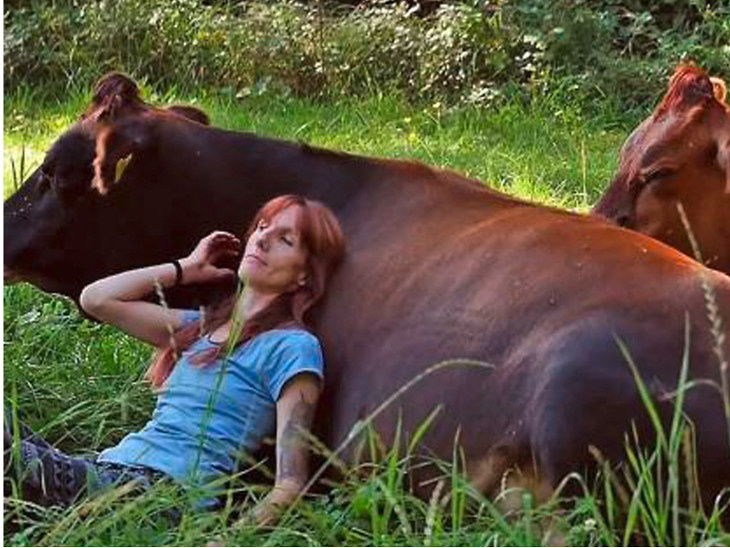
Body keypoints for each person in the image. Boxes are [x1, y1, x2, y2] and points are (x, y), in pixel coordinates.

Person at [4, 194, 346, 526]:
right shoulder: (200, 329)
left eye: (285, 239)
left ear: (304, 275)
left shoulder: (292, 346)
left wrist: (227, 540)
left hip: (159, 493)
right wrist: (186, 268)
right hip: (111, 469)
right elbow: (95, 298)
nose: (263, 239)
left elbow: (290, 483)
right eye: (262, 227)